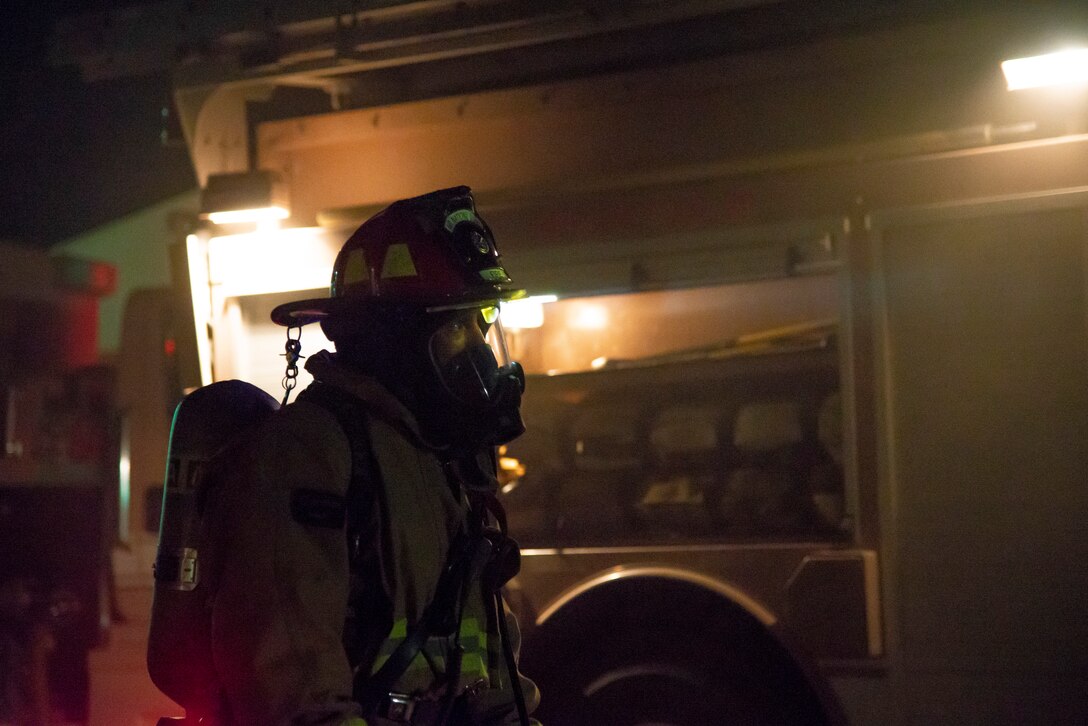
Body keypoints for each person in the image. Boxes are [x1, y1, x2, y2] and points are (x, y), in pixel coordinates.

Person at [208, 187, 541, 725]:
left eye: (482, 324)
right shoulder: (306, 454)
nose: (480, 352)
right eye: (457, 329)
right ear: (396, 340)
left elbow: (488, 669)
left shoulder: (440, 458)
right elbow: (293, 690)